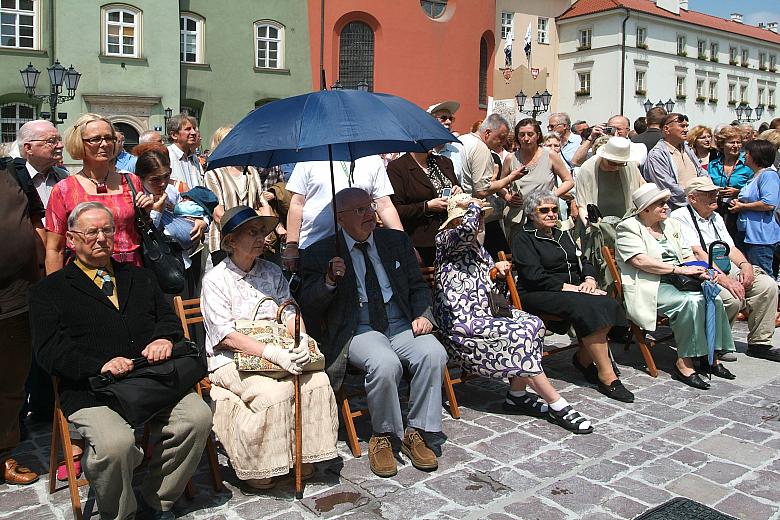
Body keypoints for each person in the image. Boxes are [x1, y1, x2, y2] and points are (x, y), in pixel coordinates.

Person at [29, 202, 212, 520]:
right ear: (71, 239)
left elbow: (168, 320)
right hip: (93, 389)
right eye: (91, 232)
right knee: (115, 445)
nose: (101, 238)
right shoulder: (50, 291)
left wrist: (164, 338)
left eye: (107, 230)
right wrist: (99, 364)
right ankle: (120, 514)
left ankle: (158, 500)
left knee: (196, 417)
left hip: (148, 381)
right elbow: (50, 351)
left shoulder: (139, 277)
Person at [298, 188, 448, 478]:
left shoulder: (394, 240)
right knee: (384, 363)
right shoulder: (322, 252)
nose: (369, 214)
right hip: (359, 327)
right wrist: (329, 280)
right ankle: (383, 434)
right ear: (340, 218)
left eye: (370, 207)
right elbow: (309, 306)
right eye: (359, 211)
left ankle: (417, 431)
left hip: (401, 322)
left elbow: (417, 286)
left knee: (433, 353)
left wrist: (423, 314)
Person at [201, 205, 337, 490]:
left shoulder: (272, 271)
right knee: (276, 392)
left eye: (262, 231)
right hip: (233, 360)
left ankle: (303, 455)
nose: (262, 237)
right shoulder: (215, 280)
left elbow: (288, 311)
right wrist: (271, 354)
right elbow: (224, 335)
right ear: (231, 242)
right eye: (252, 232)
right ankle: (260, 465)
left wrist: (300, 339)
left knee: (318, 380)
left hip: (279, 351)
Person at [434, 195, 593, 433]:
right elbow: (465, 233)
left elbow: (475, 280)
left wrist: (494, 271)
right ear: (457, 222)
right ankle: (557, 403)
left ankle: (517, 394)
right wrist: (474, 207)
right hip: (462, 323)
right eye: (476, 221)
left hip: (487, 314)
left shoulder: (478, 250)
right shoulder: (445, 239)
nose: (479, 226)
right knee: (518, 334)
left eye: (482, 222)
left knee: (534, 324)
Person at [510, 189, 633, 403]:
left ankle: (583, 359)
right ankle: (607, 376)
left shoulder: (561, 234)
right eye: (544, 210)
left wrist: (589, 280)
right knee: (589, 306)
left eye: (554, 209)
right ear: (531, 214)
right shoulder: (524, 237)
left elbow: (583, 260)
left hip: (572, 290)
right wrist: (572, 288)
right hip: (538, 292)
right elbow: (533, 275)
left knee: (606, 301)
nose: (551, 214)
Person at [616, 184, 736, 390]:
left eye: (666, 203)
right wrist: (678, 270)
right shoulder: (628, 228)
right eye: (660, 204)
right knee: (690, 301)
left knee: (713, 296)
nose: (666, 207)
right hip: (650, 283)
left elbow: (687, 254)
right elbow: (641, 262)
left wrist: (702, 270)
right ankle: (685, 362)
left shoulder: (670, 225)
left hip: (678, 278)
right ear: (645, 208)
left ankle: (711, 356)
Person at [671, 177, 780, 362]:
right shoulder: (680, 217)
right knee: (731, 299)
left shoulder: (716, 216)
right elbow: (698, 254)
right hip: (701, 270)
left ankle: (760, 344)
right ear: (693, 198)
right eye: (708, 194)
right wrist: (726, 281)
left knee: (767, 285)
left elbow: (730, 247)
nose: (715, 196)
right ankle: (717, 344)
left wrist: (745, 266)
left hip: (724, 265)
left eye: (715, 192)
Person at [45, 113, 152, 273]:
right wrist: (55, 292)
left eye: (109, 138)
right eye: (95, 139)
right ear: (79, 143)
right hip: (84, 275)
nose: (105, 144)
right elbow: (55, 249)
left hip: (130, 271)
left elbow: (138, 229)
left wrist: (147, 211)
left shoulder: (131, 181)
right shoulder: (64, 189)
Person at [0, 156, 45, 486]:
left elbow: (36, 218)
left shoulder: (12, 171)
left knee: (10, 384)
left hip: (16, 298)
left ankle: (3, 455)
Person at [283, 155, 402, 273]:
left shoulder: (371, 159)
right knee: (319, 290)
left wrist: (402, 242)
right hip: (314, 245)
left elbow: (384, 205)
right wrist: (292, 244)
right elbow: (297, 204)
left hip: (359, 247)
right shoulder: (309, 157)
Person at [134, 144, 211, 295]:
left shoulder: (171, 191)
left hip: (183, 262)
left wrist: (204, 222)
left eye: (166, 176)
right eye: (155, 179)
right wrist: (157, 211)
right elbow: (144, 238)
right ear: (140, 178)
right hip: (157, 269)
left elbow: (192, 210)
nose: (162, 183)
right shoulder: (137, 198)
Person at [204, 125, 285, 267]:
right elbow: (218, 214)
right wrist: (242, 237)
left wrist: (264, 233)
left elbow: (263, 204)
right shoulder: (213, 173)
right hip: (226, 242)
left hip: (254, 241)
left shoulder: (251, 171)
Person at [459, 114, 522, 257]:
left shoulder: (462, 140)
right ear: (487, 133)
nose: (504, 142)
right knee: (500, 258)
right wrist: (510, 178)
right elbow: (482, 190)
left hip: (461, 212)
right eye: (501, 137)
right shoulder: (481, 148)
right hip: (476, 214)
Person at [386, 150, 461, 266]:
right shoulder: (397, 167)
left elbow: (457, 188)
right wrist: (427, 206)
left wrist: (458, 191)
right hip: (423, 241)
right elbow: (397, 210)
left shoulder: (443, 162)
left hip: (453, 236)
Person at [502, 118, 573, 234]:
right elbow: (501, 184)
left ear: (538, 135)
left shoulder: (550, 155)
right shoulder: (510, 158)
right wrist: (507, 197)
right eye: (522, 135)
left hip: (544, 217)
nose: (526, 138)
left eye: (530, 134)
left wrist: (550, 196)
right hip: (517, 219)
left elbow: (569, 181)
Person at [728, 139, 780, 276]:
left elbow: (769, 203)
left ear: (755, 155)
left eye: (747, 153)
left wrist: (742, 206)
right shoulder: (754, 176)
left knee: (763, 275)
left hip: (760, 236)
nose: (743, 155)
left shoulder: (768, 175)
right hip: (748, 233)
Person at [642, 113, 707, 210]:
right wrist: (695, 200)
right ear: (666, 129)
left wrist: (707, 190)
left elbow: (701, 172)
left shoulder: (687, 149)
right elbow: (668, 188)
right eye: (681, 126)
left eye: (686, 126)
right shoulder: (657, 155)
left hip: (697, 206)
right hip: (674, 210)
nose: (686, 130)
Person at [575, 137, 645, 223]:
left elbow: (642, 187)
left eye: (621, 164)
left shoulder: (630, 166)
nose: (616, 167)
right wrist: (590, 226)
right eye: (612, 163)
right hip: (598, 225)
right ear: (603, 157)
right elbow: (582, 204)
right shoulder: (587, 170)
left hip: (626, 223)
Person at [16, 120, 69, 213]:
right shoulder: (12, 179)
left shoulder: (64, 176)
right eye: (52, 141)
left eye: (59, 140)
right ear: (28, 148)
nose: (60, 145)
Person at [708, 126, 752, 237]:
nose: (736, 146)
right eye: (732, 142)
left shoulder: (748, 164)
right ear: (722, 145)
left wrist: (738, 192)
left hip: (740, 211)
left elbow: (754, 189)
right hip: (717, 209)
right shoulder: (713, 165)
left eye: (739, 142)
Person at [427, 101, 463, 182]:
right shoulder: (419, 151)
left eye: (450, 118)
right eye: (443, 118)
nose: (448, 122)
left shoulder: (456, 150)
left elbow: (460, 182)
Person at [167, 114, 204, 188]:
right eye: (188, 129)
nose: (194, 133)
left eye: (193, 128)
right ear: (174, 135)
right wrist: (178, 185)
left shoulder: (194, 158)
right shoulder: (166, 156)